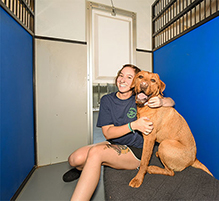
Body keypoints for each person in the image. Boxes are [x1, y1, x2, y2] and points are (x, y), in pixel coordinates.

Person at [63, 64, 175, 200]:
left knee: (95, 153)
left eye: (129, 77)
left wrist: (162, 101)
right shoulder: (107, 100)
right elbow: (108, 133)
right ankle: (85, 170)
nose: (123, 80)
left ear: (135, 82)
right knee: (74, 159)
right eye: (121, 75)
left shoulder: (141, 97)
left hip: (135, 150)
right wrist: (133, 125)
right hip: (115, 141)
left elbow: (171, 101)